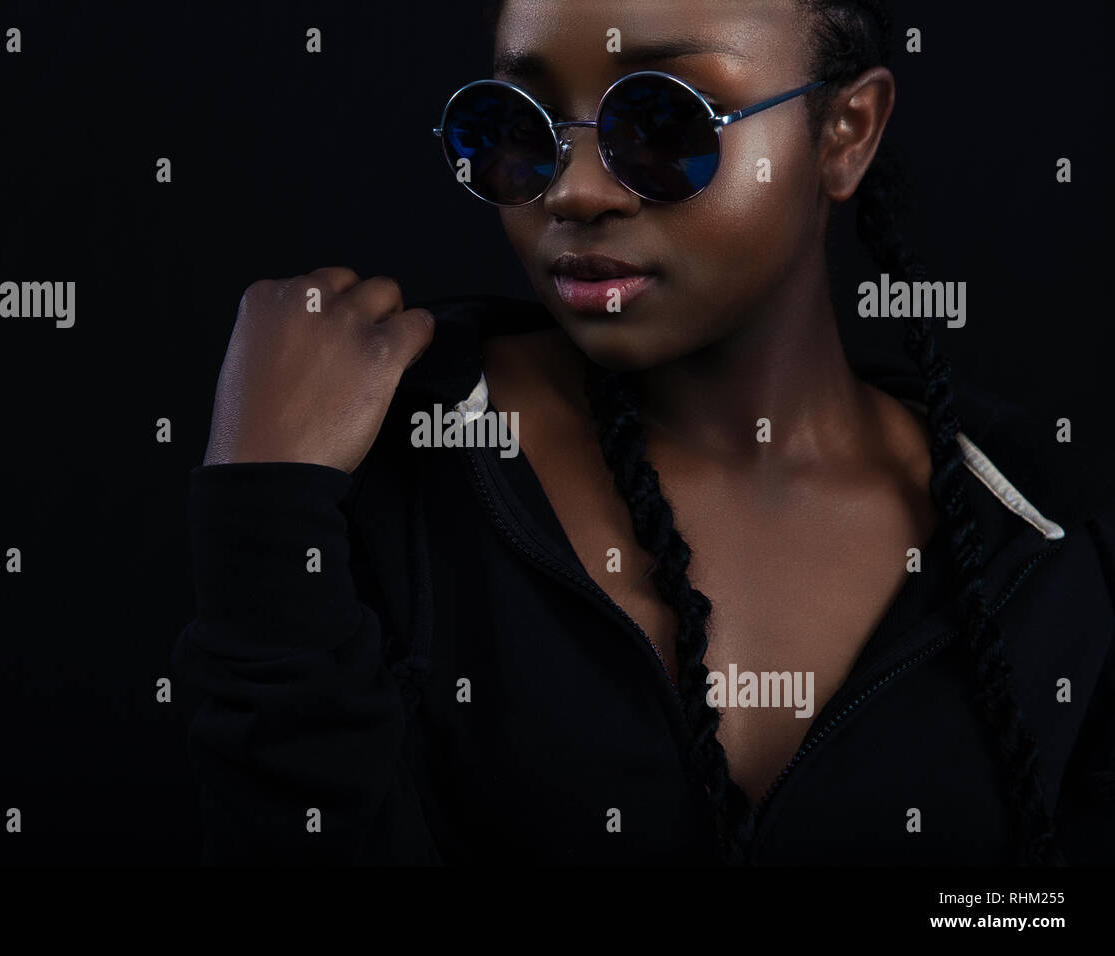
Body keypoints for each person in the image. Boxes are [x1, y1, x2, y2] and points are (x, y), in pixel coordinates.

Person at [172, 0, 1115, 865]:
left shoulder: (1032, 537)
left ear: (845, 131)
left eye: (665, 123)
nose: (575, 193)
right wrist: (263, 507)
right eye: (516, 129)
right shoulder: (374, 452)